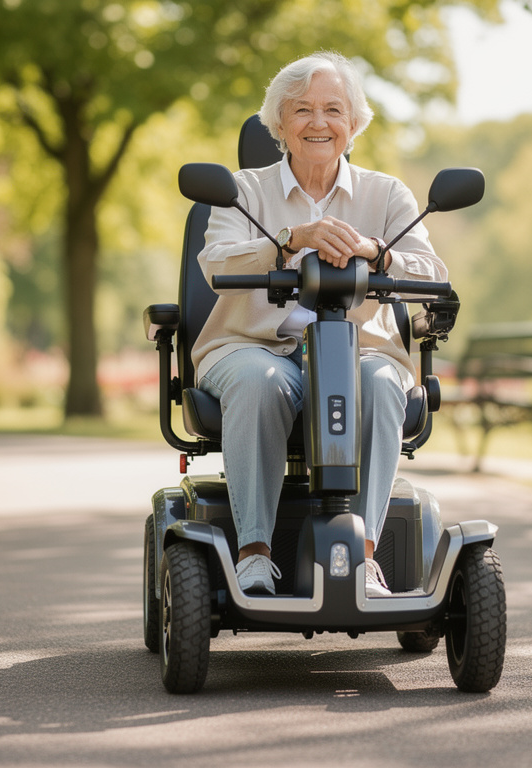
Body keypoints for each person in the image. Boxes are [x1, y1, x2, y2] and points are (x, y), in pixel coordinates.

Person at [193, 51, 448, 598]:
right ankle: (254, 554)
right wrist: (288, 241)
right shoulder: (242, 190)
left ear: (353, 125)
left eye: (334, 109)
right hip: (252, 346)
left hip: (358, 351)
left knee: (381, 383)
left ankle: (367, 559)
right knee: (259, 384)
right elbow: (216, 263)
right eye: (302, 109)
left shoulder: (387, 195)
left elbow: (431, 272)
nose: (318, 122)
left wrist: (374, 252)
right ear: (279, 123)